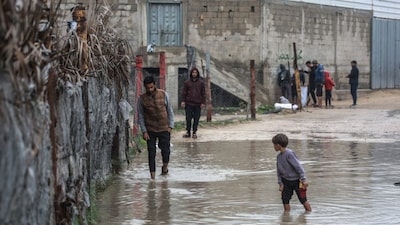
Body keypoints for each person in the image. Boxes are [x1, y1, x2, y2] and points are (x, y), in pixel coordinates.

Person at [138, 76, 174, 179]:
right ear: (145, 87)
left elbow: (169, 111)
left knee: (166, 151)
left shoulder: (163, 94)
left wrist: (170, 126)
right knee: (151, 152)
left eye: (151, 87)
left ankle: (165, 168)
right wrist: (144, 131)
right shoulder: (141, 99)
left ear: (155, 85)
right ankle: (152, 177)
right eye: (148, 88)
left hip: (164, 127)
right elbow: (140, 116)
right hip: (150, 129)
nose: (150, 89)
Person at [272, 133, 312, 212]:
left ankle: (309, 214)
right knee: (285, 200)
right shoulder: (279, 157)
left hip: (297, 181)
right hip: (286, 181)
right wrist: (280, 183)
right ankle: (286, 217)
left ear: (279, 145)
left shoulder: (289, 154)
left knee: (303, 199)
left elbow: (298, 167)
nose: (273, 146)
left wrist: (303, 180)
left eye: (274, 145)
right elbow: (279, 171)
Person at [181, 67, 206, 139]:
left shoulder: (201, 83)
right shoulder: (187, 83)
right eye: (193, 72)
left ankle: (194, 132)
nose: (194, 74)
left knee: (196, 118)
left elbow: (203, 93)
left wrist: (203, 102)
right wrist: (183, 101)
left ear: (197, 73)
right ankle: (188, 132)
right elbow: (184, 92)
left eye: (195, 72)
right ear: (191, 73)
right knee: (188, 118)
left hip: (197, 104)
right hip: (189, 103)